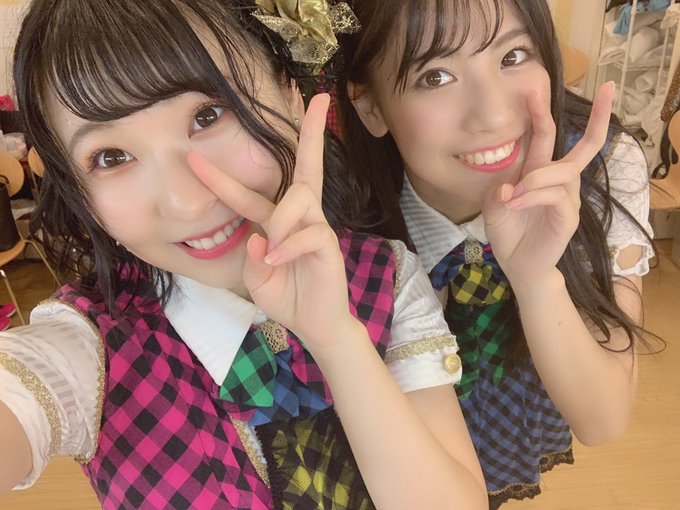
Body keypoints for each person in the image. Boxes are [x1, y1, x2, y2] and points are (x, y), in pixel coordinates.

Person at [0, 0, 489, 508]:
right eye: (111, 157)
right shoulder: (89, 351)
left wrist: (338, 340)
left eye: (207, 115)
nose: (187, 202)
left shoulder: (387, 277)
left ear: (292, 95)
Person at [336, 0, 655, 507]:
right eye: (435, 77)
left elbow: (603, 420)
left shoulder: (602, 168)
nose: (495, 115)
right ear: (370, 106)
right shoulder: (345, 206)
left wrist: (536, 280)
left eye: (513, 56)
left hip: (527, 391)